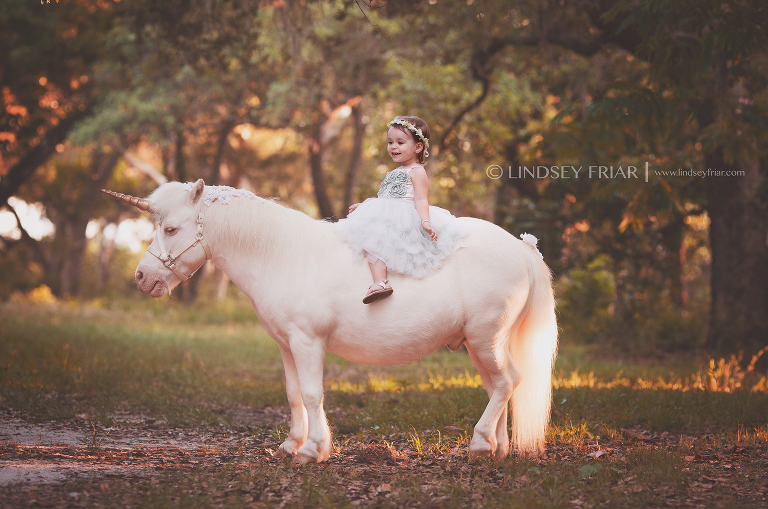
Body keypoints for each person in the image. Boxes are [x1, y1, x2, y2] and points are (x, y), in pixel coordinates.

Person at [333, 116, 471, 304]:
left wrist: (425, 221)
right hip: (388, 213)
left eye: (400, 142)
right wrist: (366, 207)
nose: (393, 147)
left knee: (376, 239)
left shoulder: (417, 171)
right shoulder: (395, 171)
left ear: (418, 147)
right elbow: (386, 198)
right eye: (390, 142)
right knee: (363, 235)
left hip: (405, 217)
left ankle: (381, 282)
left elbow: (421, 199)